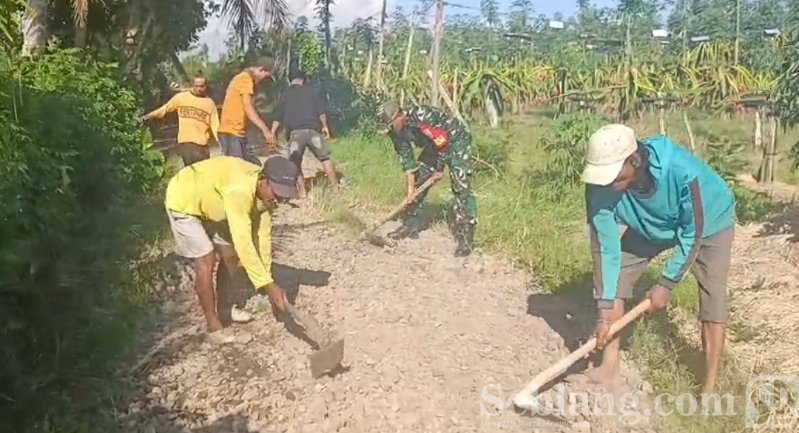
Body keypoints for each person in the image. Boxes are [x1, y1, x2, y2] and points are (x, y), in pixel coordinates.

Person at [582, 124, 735, 395]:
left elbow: (693, 232)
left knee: (713, 297)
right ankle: (609, 368)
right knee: (617, 279)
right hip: (648, 225)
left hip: (708, 220)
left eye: (612, 174)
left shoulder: (680, 170)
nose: (606, 182)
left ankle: (709, 388)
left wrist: (666, 283)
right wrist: (605, 311)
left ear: (635, 161)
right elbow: (605, 250)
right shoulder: (600, 188)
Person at [164, 155, 299, 344]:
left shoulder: (267, 198)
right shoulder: (240, 191)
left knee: (230, 255)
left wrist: (268, 281)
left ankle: (225, 309)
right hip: (184, 197)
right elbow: (244, 241)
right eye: (276, 193)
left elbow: (262, 238)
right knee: (206, 258)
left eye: (282, 197)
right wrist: (269, 286)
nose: (277, 200)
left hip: (213, 203)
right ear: (263, 180)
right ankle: (214, 328)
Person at [380, 101, 478, 257]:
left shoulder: (422, 116)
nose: (390, 129)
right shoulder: (395, 132)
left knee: (461, 185)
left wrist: (439, 169)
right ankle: (410, 225)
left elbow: (442, 141)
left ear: (399, 116)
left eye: (391, 124)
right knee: (421, 179)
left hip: (456, 139)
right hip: (435, 144)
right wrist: (411, 190)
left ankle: (466, 238)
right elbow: (407, 159)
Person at [271, 69, 339, 196]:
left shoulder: (285, 94)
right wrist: (325, 126)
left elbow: (278, 116)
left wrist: (272, 133)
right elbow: (321, 111)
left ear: (290, 80)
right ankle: (335, 187)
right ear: (304, 80)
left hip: (296, 134)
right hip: (313, 132)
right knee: (325, 159)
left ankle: (302, 192)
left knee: (295, 163)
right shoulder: (312, 92)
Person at [141, 76, 219, 167]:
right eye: (196, 86)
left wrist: (221, 142)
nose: (199, 89)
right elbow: (164, 109)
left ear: (206, 86)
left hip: (202, 146)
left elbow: (215, 125)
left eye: (201, 86)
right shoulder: (181, 98)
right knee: (189, 171)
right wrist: (147, 117)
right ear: (192, 85)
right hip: (186, 143)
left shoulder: (209, 103)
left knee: (203, 173)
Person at [218, 58, 277, 166]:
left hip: (237, 132)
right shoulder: (245, 79)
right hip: (231, 132)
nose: (263, 81)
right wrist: (266, 130)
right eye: (265, 77)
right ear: (261, 69)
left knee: (254, 165)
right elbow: (248, 108)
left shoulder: (242, 79)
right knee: (237, 168)